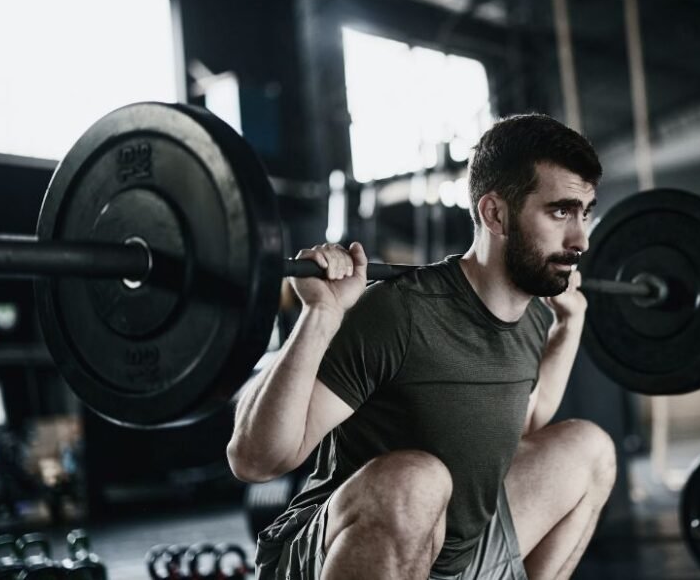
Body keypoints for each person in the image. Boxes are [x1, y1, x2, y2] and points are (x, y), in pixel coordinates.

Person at [227, 114, 616, 580]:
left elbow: (523, 418)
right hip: (332, 555)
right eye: (560, 212)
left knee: (589, 449)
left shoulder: (534, 314)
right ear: (495, 214)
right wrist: (321, 316)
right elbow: (255, 458)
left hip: (452, 560)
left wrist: (568, 328)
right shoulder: (402, 313)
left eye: (584, 213)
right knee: (416, 481)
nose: (581, 240)